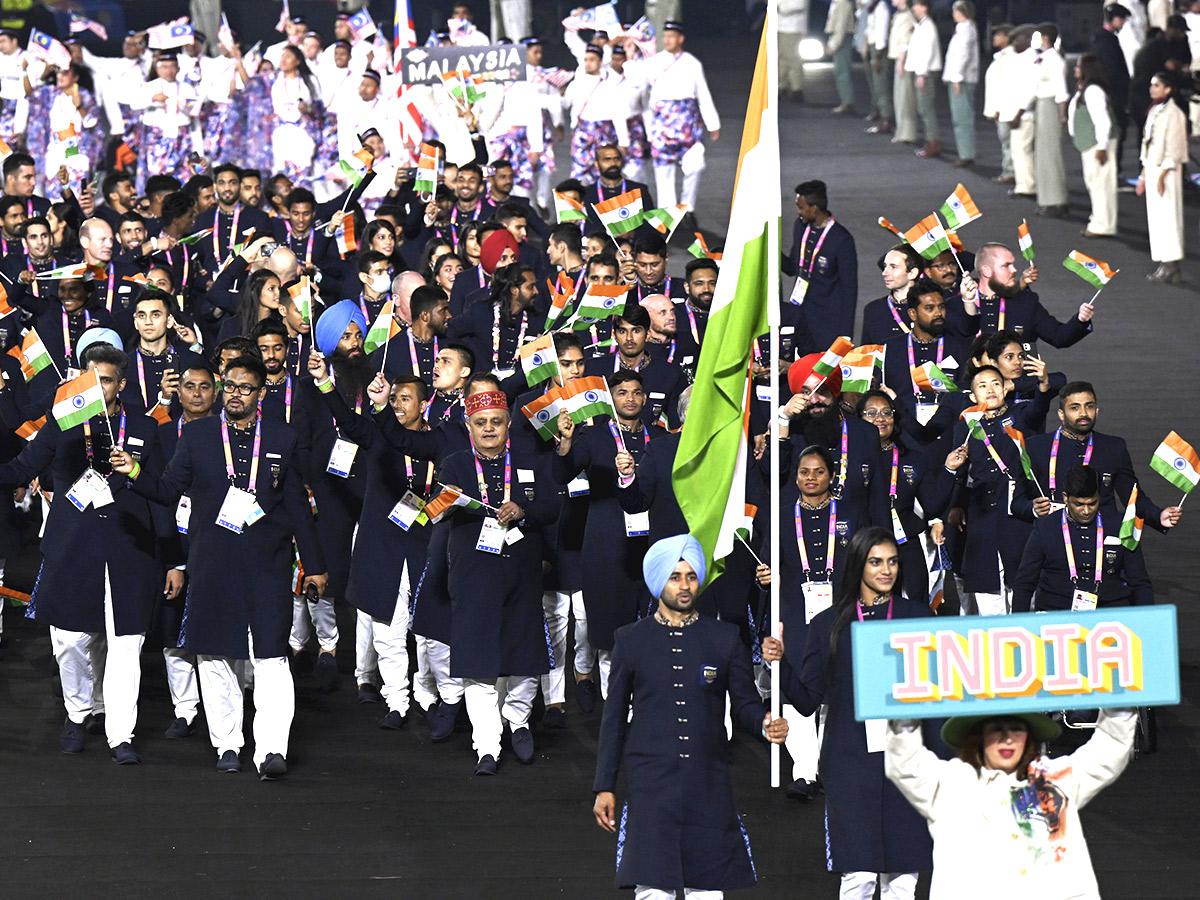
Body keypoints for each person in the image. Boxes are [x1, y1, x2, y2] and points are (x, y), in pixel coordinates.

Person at [113, 354, 328, 778]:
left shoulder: (283, 437)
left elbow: (297, 508)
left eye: (245, 388)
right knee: (214, 656)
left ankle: (271, 750)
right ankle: (227, 744)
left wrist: (315, 564)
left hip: (268, 562)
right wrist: (134, 471)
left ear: (261, 394)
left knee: (271, 656)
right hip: (212, 561)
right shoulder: (197, 435)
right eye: (229, 386)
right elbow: (168, 488)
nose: (235, 394)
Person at [593, 534, 787, 898]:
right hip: (650, 782)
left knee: (708, 887)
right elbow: (614, 719)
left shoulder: (725, 638)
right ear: (657, 582)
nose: (685, 585)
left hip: (708, 781)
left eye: (691, 576)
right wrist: (604, 786)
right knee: (652, 888)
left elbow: (744, 704)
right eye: (674, 576)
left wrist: (763, 724)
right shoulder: (630, 640)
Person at [0, 343, 165, 763]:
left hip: (131, 549)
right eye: (88, 379)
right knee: (71, 641)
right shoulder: (64, 424)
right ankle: (77, 713)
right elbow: (21, 468)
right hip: (73, 548)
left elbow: (162, 494)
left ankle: (120, 735)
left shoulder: (145, 429)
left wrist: (174, 558)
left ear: (121, 385)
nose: (95, 387)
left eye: (105, 380)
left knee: (126, 644)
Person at [762, 527, 935, 900]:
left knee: (903, 876)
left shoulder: (918, 619)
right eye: (876, 562)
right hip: (849, 761)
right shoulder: (827, 624)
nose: (885, 570)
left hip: (907, 760)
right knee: (858, 873)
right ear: (858, 565)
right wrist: (781, 665)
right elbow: (808, 700)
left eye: (891, 562)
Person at [435, 389, 561, 774]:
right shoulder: (454, 465)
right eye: (480, 423)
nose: (489, 428)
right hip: (474, 576)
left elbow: (553, 507)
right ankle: (486, 745)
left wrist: (523, 509)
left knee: (525, 660)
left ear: (508, 425)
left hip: (522, 575)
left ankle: (519, 722)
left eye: (496, 421)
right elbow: (439, 508)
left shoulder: (530, 460)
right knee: (478, 663)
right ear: (468, 427)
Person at [885, 707, 1137, 899]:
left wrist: (1120, 700)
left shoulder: (1054, 780)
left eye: (1017, 728)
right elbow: (905, 763)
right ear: (979, 737)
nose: (1008, 739)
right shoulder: (950, 784)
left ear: (1029, 737)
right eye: (997, 729)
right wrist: (903, 712)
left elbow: (1111, 748)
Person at [1012, 464, 1153, 613]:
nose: (1086, 511)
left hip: (1110, 609)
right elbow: (1025, 583)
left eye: (1092, 504)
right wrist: (1017, 624)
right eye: (1079, 504)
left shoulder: (1119, 525)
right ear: (1066, 497)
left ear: (1100, 496)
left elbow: (1139, 582)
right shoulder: (1045, 527)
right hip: (1057, 610)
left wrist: (1148, 621)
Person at [643, 22, 720, 209]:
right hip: (662, 123)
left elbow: (703, 94)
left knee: (695, 164)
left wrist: (712, 123)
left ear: (680, 38)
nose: (667, 40)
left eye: (671, 36)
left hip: (687, 123)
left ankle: (687, 209)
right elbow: (639, 86)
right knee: (663, 171)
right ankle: (667, 213)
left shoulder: (692, 63)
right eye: (665, 36)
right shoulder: (653, 62)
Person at [783, 180, 858, 350]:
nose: (798, 211)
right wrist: (769, 249)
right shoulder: (800, 227)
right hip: (800, 317)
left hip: (828, 323)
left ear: (814, 208)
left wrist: (845, 334)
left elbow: (849, 290)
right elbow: (791, 267)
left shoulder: (842, 240)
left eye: (801, 207)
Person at [1138, 71, 1187, 283]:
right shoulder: (1155, 110)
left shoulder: (1174, 113)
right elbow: (1148, 141)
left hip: (1166, 171)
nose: (1152, 89)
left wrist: (1161, 175)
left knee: (1168, 216)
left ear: (1168, 89)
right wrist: (1144, 171)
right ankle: (1164, 263)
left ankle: (1171, 264)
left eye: (1157, 85)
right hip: (1153, 167)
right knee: (1157, 218)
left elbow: (1174, 147)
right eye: (1152, 85)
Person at [1069, 54, 1119, 238]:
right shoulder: (1086, 89)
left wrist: (1102, 146)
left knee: (1101, 184)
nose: (1076, 69)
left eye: (1079, 66)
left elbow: (1102, 121)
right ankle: (1098, 220)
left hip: (1097, 144)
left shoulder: (1093, 91)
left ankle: (1104, 225)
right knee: (1095, 183)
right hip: (1091, 143)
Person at [1028, 25, 1070, 218]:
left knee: (1051, 153)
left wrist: (1062, 114)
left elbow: (1061, 89)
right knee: (1043, 153)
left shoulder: (1054, 59)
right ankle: (1047, 198)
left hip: (1051, 105)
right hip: (1042, 104)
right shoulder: (1044, 57)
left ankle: (1056, 200)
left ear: (1045, 38)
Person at [1093, 5, 1132, 175]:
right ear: (1115, 19)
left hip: (1109, 93)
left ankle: (1113, 171)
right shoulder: (1108, 40)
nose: (1123, 23)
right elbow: (1113, 71)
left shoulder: (1099, 38)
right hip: (1114, 94)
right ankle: (1114, 172)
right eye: (1122, 19)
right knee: (1115, 132)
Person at [943, 1, 980, 168]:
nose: (953, 14)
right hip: (959, 78)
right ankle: (964, 152)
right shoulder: (963, 28)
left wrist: (957, 77)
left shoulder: (966, 29)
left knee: (962, 117)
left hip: (962, 79)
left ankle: (966, 154)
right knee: (959, 117)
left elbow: (963, 55)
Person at [905, 0, 943, 159]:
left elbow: (926, 52)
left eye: (917, 5)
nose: (914, 8)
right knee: (923, 107)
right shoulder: (920, 25)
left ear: (924, 8)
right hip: (920, 71)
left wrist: (922, 74)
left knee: (926, 108)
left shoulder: (928, 27)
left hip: (925, 72)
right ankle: (930, 141)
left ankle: (933, 142)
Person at [983, 25, 1018, 184]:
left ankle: (1010, 172)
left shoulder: (1009, 57)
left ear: (1007, 37)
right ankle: (1009, 170)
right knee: (1006, 140)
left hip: (1005, 107)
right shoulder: (1002, 56)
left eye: (998, 34)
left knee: (1008, 140)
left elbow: (1007, 85)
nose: (994, 37)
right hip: (1001, 107)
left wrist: (999, 108)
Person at [888, 0, 919, 145]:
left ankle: (907, 132)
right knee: (899, 97)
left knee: (905, 97)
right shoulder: (900, 15)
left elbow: (906, 40)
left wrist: (901, 60)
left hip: (904, 60)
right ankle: (901, 131)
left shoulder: (907, 16)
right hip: (899, 59)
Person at [826, 0, 857, 114]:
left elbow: (841, 26)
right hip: (841, 38)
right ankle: (846, 101)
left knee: (843, 70)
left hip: (843, 39)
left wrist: (835, 43)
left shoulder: (843, 4)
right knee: (840, 70)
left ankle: (848, 102)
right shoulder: (838, 3)